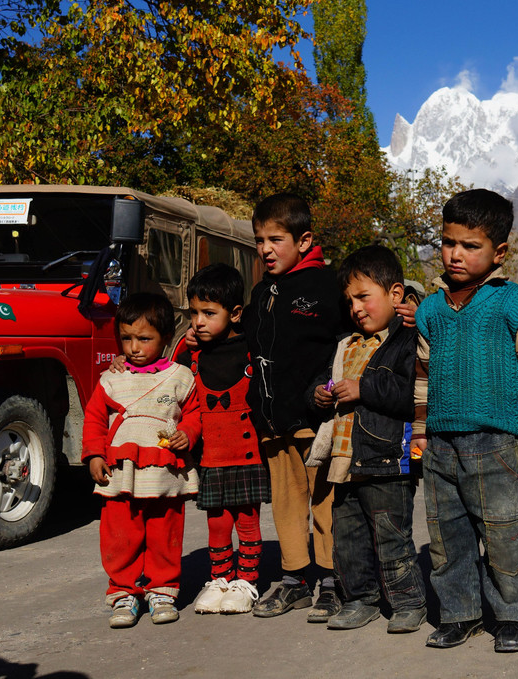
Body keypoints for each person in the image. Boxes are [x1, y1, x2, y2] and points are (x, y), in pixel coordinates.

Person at [412, 189, 518, 653]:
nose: (456, 254)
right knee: (446, 537)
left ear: (499, 252)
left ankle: (512, 614)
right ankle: (460, 613)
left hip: (496, 443)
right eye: (449, 242)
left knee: (503, 532)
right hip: (440, 447)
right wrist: (420, 432)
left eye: (470, 245)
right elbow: (422, 377)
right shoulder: (430, 310)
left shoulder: (513, 303)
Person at [307, 244, 427, 634]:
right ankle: (359, 599)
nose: (356, 307)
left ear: (396, 295)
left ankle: (408, 602)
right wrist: (320, 393)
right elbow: (324, 379)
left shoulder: (408, 341)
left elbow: (409, 393)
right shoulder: (346, 344)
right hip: (344, 463)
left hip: (389, 460)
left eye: (364, 297)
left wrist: (364, 388)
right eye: (350, 300)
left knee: (392, 538)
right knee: (349, 540)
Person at [243, 193, 345, 622]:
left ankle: (333, 581)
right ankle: (296, 580)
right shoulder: (262, 291)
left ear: (304, 241)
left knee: (326, 502)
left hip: (315, 421)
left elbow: (351, 338)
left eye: (276, 239)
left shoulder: (328, 286)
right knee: (285, 505)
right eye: (260, 239)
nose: (265, 249)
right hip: (273, 421)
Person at [82, 292, 201, 629]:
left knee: (165, 531)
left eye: (144, 339)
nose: (134, 347)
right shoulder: (113, 378)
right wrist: (94, 453)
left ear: (165, 338)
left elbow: (194, 414)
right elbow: (94, 417)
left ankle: (162, 590)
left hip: (164, 474)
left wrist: (188, 434)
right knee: (120, 534)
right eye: (126, 338)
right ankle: (124, 593)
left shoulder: (180, 377)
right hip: (121, 473)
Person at [178, 264, 271, 615]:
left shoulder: (251, 349)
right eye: (194, 313)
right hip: (211, 457)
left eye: (208, 313)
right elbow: (167, 378)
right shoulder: (190, 356)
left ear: (234, 314)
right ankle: (219, 578)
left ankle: (245, 582)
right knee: (216, 522)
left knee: (247, 519)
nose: (198, 322)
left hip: (246, 455)